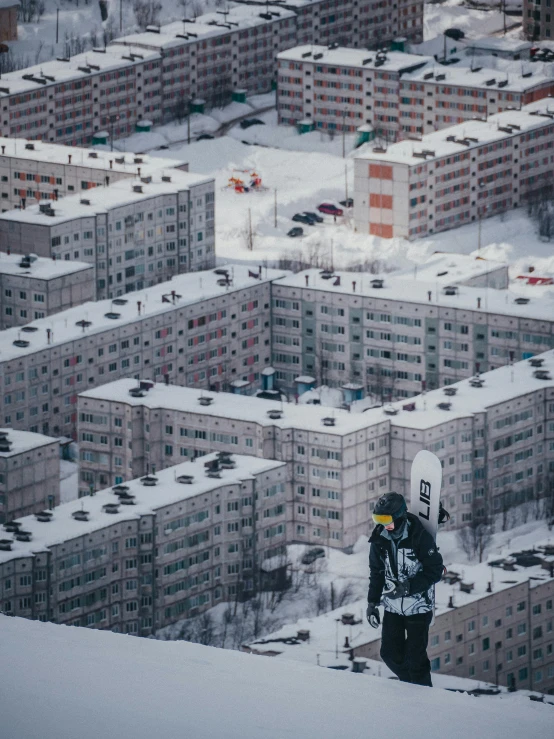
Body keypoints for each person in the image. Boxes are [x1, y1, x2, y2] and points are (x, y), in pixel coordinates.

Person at [366, 491, 444, 687]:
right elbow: (376, 572)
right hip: (392, 605)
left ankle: (422, 693)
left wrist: (409, 587)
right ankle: (409, 687)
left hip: (418, 606)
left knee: (415, 658)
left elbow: (434, 570)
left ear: (400, 517)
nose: (384, 526)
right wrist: (372, 603)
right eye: (378, 520)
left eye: (387, 520)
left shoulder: (418, 537)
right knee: (389, 653)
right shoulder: (379, 540)